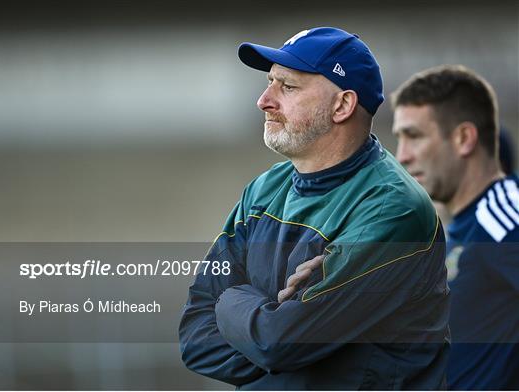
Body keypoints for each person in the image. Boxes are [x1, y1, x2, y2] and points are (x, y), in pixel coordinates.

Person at [179, 27, 450, 390]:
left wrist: (231, 299)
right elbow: (196, 339)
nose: (264, 100)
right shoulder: (262, 191)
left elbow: (279, 343)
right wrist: (275, 328)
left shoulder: (393, 208)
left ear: (342, 105)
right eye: (270, 82)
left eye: (287, 87)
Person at [391, 64, 519, 390]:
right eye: (399, 138)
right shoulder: (462, 228)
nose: (401, 156)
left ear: (463, 138)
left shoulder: (505, 217)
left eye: (414, 136)